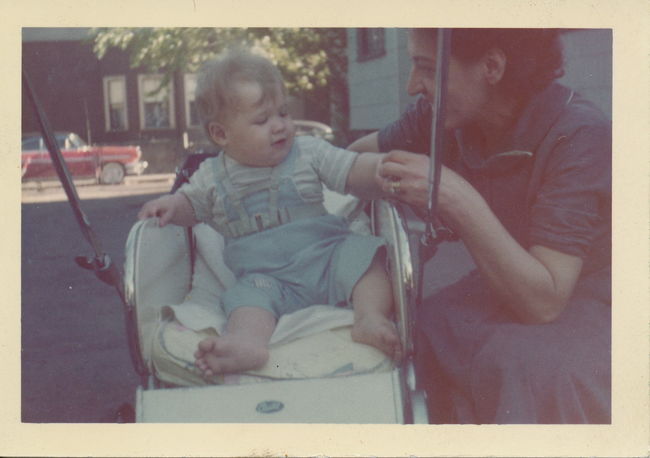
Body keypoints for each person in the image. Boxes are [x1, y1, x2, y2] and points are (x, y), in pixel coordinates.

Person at [349, 28, 611, 423]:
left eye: (425, 67)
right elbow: (353, 162)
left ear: (492, 66)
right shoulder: (443, 117)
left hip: (596, 293)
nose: (411, 85)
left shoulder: (579, 134)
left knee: (529, 368)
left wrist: (453, 196)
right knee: (426, 329)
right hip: (516, 278)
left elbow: (545, 302)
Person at [138, 49, 401, 377]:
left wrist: (378, 169)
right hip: (267, 279)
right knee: (245, 302)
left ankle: (369, 317)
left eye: (283, 113)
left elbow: (349, 170)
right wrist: (172, 206)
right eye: (263, 120)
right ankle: (247, 344)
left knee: (365, 259)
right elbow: (191, 206)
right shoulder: (211, 176)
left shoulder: (309, 153)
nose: (280, 126)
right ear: (222, 134)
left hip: (327, 258)